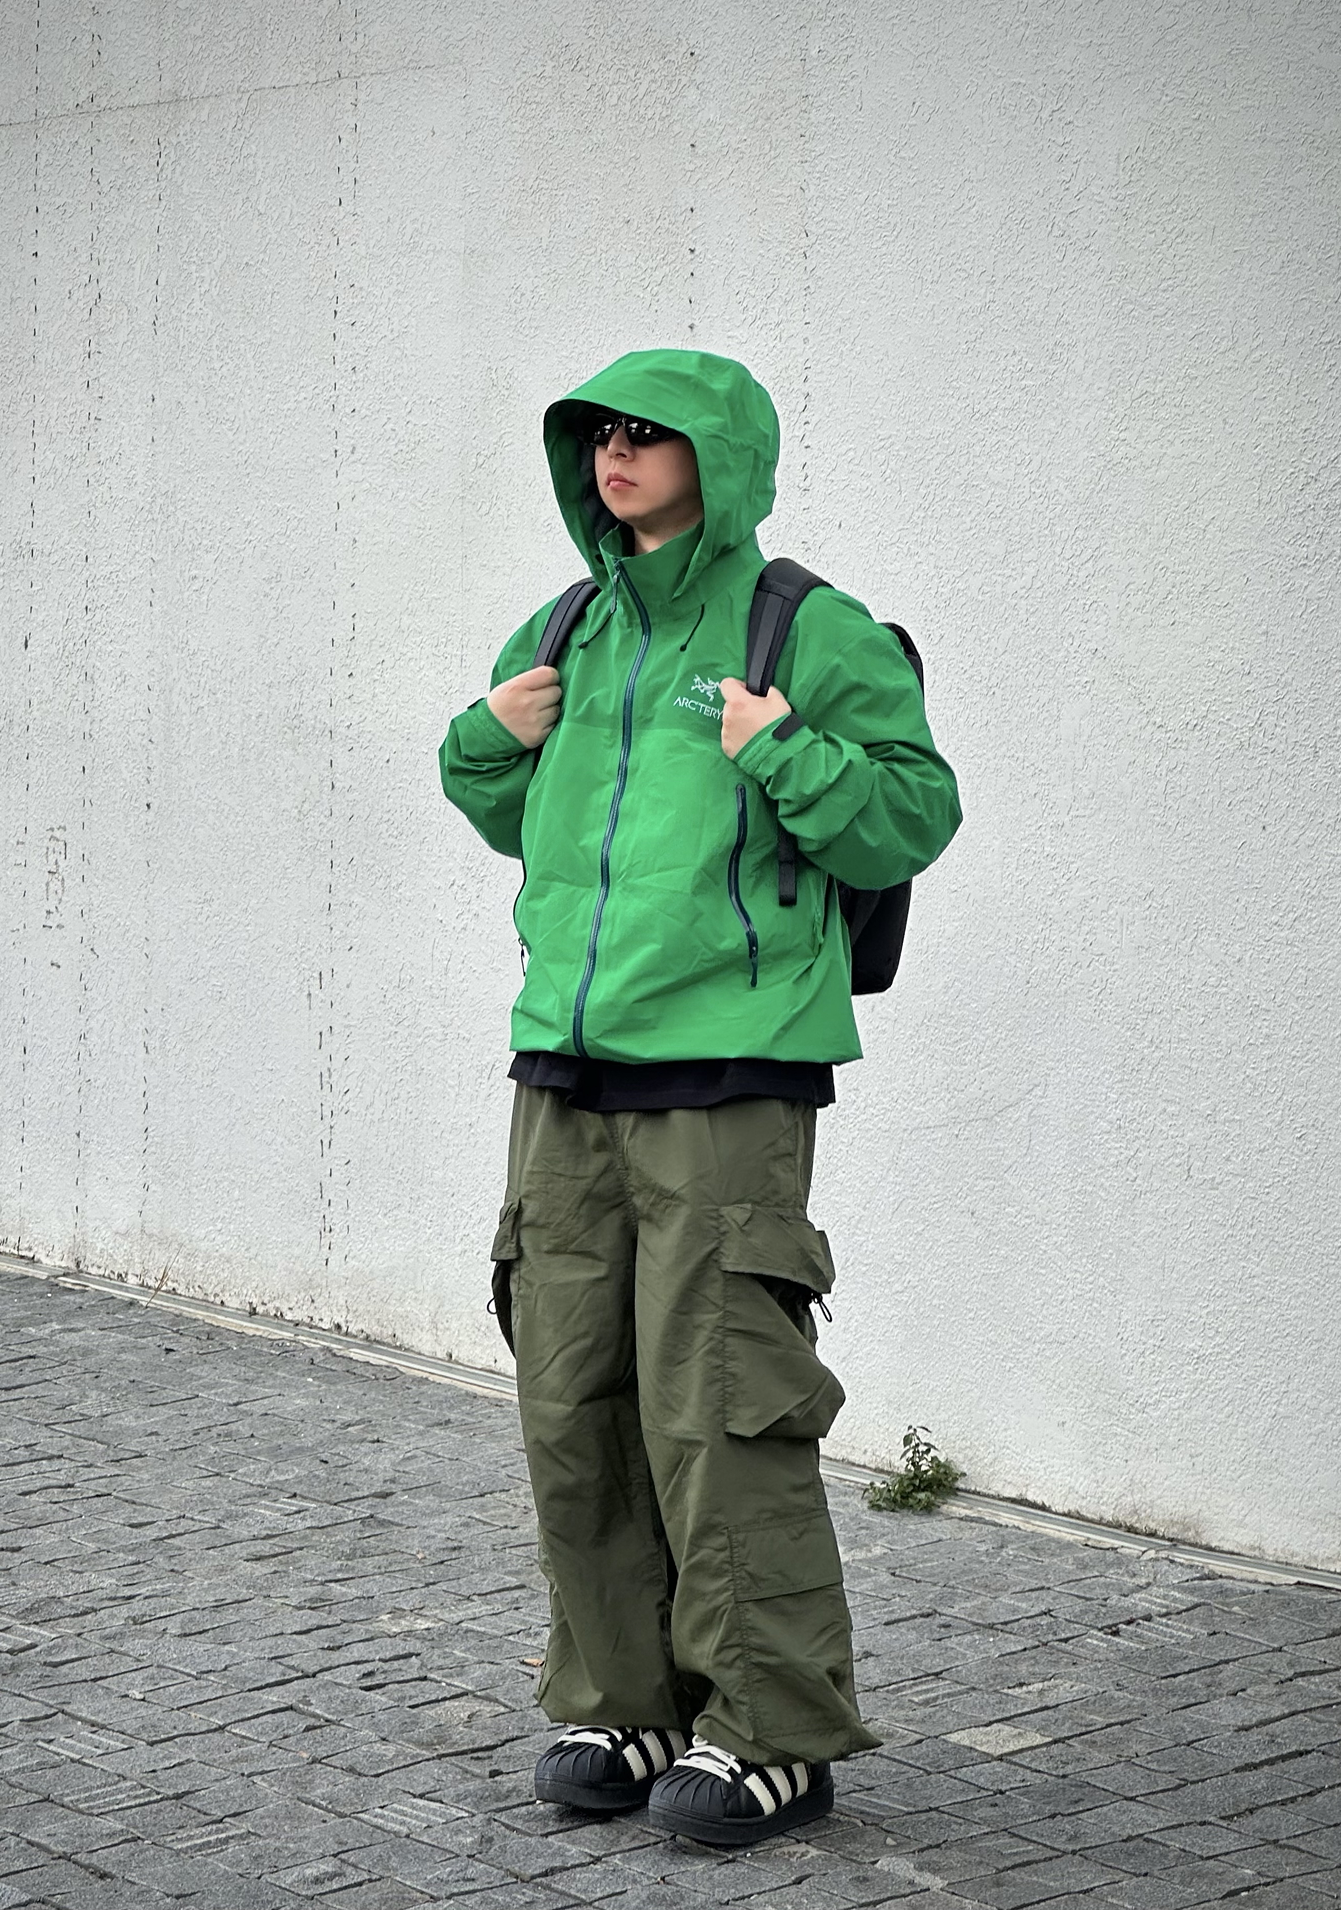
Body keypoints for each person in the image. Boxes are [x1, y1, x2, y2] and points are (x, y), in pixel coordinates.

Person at [438, 348, 961, 1845]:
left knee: (719, 1409)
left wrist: (783, 750)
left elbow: (912, 814)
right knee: (571, 1401)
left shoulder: (806, 624)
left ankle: (772, 1730)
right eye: (600, 433)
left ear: (716, 458)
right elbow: (517, 817)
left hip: (728, 1070)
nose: (618, 454)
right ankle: (625, 1699)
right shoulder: (571, 625)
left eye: (650, 434)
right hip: (567, 1065)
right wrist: (485, 741)